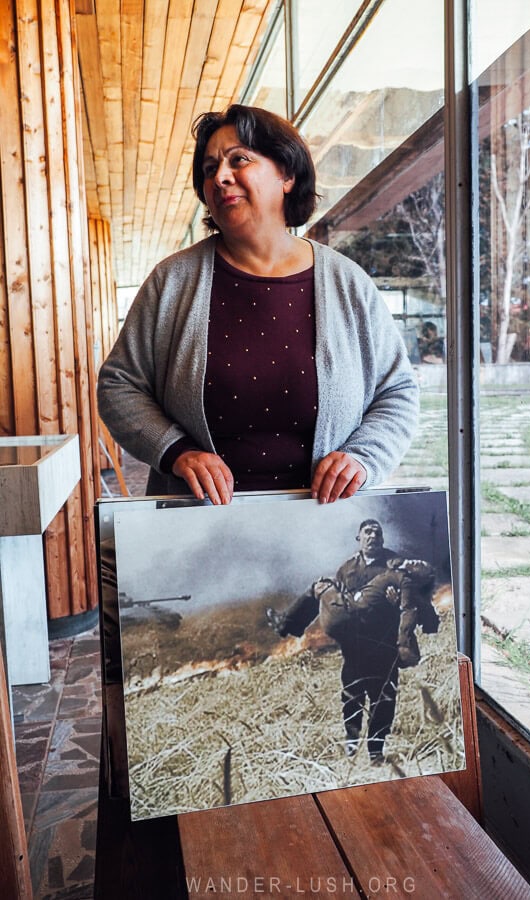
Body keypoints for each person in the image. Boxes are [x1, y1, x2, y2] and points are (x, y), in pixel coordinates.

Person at [97, 104, 419, 505]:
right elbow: (118, 385)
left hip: (326, 530)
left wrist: (363, 457)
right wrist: (177, 452)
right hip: (198, 534)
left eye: (239, 160)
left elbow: (398, 391)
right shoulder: (173, 281)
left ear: (286, 174)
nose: (221, 177)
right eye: (210, 168)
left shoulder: (347, 282)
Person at [266, 519, 437, 763]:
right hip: (355, 644)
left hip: (382, 642)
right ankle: (352, 741)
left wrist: (394, 601)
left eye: (377, 533)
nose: (373, 537)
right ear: (359, 538)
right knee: (352, 695)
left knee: (384, 698)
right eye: (367, 533)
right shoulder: (347, 568)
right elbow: (341, 605)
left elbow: (413, 601)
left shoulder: (394, 564)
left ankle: (376, 751)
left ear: (382, 539)